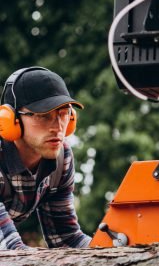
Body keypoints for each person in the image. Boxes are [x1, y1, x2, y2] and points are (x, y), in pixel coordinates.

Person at [0, 66, 91, 249]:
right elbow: (11, 250)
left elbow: (66, 239)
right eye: (44, 115)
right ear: (10, 119)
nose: (58, 127)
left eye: (64, 114)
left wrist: (112, 248)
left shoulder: (61, 158)